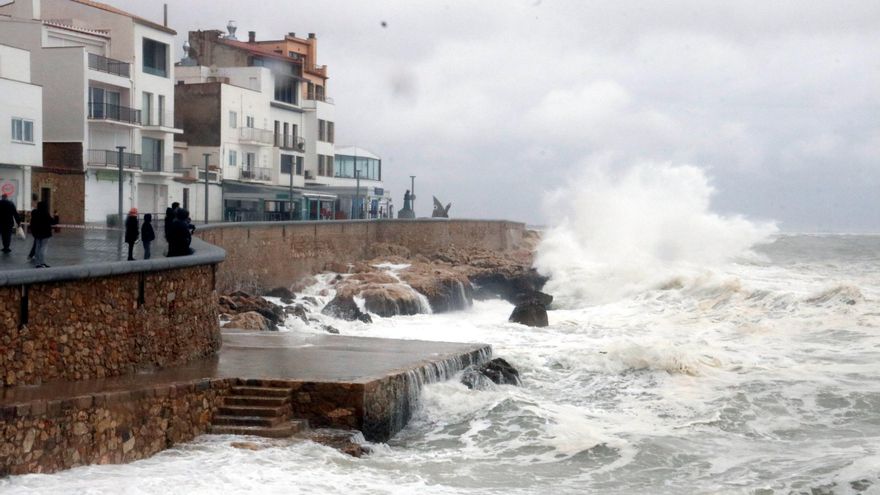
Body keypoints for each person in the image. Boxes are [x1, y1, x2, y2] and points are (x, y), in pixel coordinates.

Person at [30, 201, 58, 268]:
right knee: (43, 248)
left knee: (37, 248)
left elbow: (32, 223)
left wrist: (33, 232)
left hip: (37, 233)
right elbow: (53, 222)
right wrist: (56, 216)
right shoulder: (45, 213)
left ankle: (38, 263)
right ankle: (42, 262)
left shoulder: (34, 213)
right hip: (45, 234)